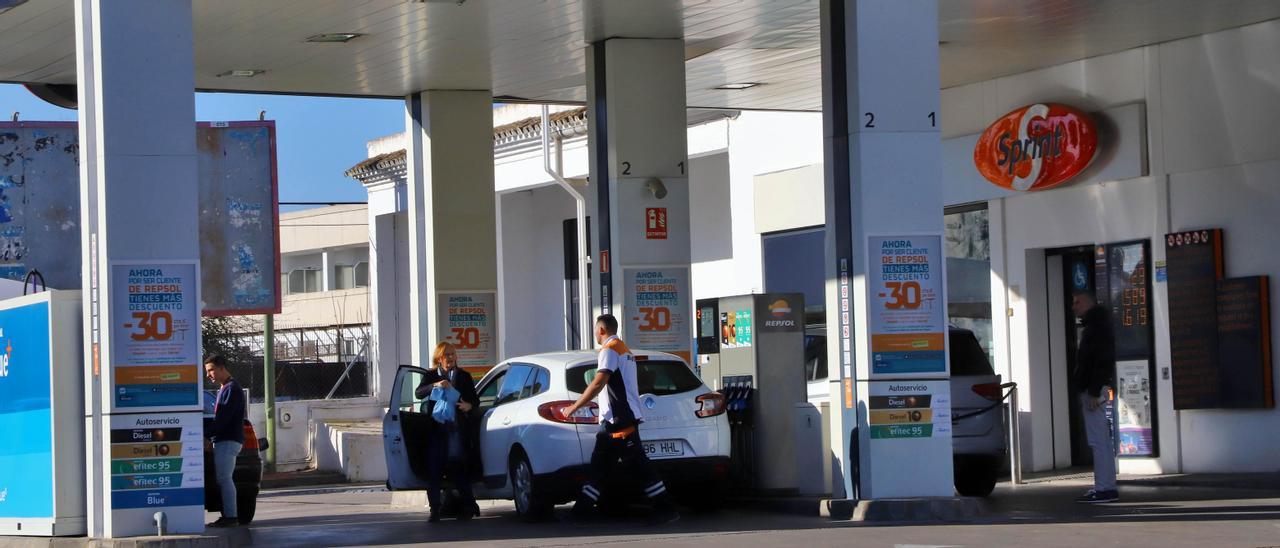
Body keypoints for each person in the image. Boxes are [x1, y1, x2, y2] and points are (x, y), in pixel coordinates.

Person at [565, 314, 678, 525]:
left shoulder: (609, 350)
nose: (595, 334)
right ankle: (581, 510)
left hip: (619, 419)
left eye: (594, 329)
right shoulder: (623, 349)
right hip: (615, 419)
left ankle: (666, 508)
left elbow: (599, 382)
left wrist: (575, 406)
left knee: (638, 465)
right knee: (600, 465)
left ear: (600, 330)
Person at [414, 341, 481, 522]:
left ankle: (469, 506)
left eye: (453, 354)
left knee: (458, 467)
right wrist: (435, 386)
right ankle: (435, 509)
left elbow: (475, 401)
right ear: (439, 358)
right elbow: (418, 393)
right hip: (436, 429)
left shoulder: (464, 376)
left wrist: (469, 405)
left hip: (455, 429)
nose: (451, 358)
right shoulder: (430, 375)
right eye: (447, 355)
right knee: (434, 469)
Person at [1071, 290, 1118, 503]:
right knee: (1101, 441)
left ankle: (1105, 488)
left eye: (1077, 302)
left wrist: (1092, 390)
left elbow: (1100, 361)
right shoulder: (1097, 326)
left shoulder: (1096, 328)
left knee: (1099, 441)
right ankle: (1104, 486)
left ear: (1087, 303)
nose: (1074, 307)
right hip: (1094, 388)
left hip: (1093, 391)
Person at [204, 354, 246, 528]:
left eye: (211, 370)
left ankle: (231, 517)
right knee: (224, 478)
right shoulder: (226, 388)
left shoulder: (231, 389)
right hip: (226, 440)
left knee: (225, 479)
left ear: (222, 368)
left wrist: (207, 436)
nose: (208, 375)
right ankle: (228, 515)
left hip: (228, 440)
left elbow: (223, 419)